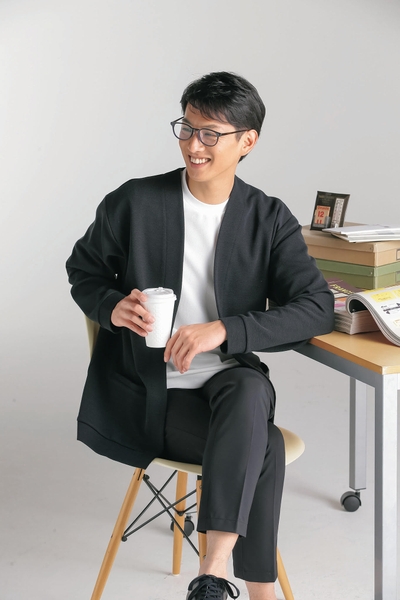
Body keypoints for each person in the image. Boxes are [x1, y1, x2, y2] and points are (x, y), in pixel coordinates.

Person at [66, 71, 334, 600]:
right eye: (187, 128)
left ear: (247, 141)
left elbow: (316, 308)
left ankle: (211, 575)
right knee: (264, 447)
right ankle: (241, 586)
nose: (194, 145)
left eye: (211, 133)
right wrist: (112, 307)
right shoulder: (135, 201)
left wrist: (226, 330)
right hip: (149, 394)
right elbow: (84, 271)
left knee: (249, 387)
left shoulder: (267, 217)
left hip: (228, 391)